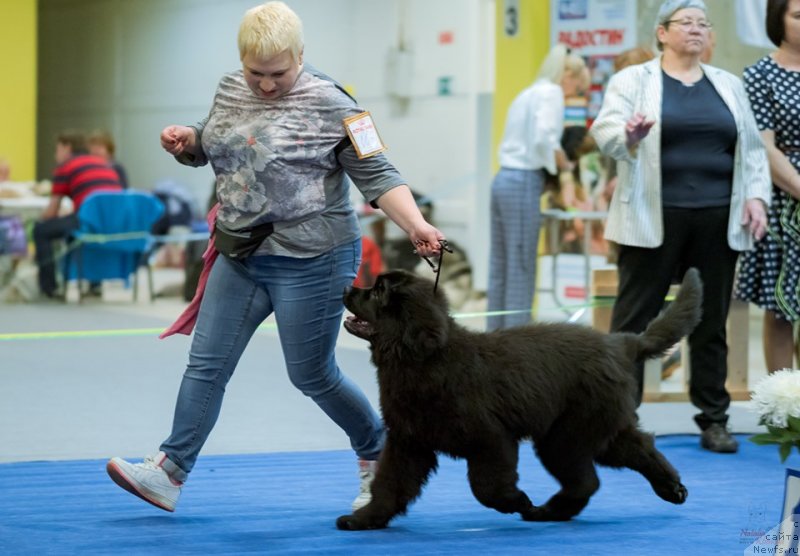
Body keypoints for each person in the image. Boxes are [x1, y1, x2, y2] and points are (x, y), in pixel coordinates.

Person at [105, 1, 445, 513]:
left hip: (314, 257)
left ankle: (380, 454)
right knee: (206, 365)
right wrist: (187, 142)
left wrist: (416, 224)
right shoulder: (228, 87)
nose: (265, 85)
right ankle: (169, 472)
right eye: (255, 72)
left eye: (278, 73)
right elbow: (217, 142)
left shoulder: (338, 104)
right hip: (240, 251)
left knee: (311, 374)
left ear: (300, 56)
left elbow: (379, 174)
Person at [590, 0, 771, 453]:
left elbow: (750, 150)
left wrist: (756, 196)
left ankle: (714, 420)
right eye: (685, 22)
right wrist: (627, 137)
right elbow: (605, 130)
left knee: (711, 324)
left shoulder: (728, 85)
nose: (696, 29)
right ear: (662, 33)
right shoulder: (632, 80)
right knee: (633, 320)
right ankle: (617, 420)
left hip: (716, 219)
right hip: (652, 216)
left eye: (703, 24)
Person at [486, 44, 588, 331]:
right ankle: (516, 340)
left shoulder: (528, 92)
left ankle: (496, 335)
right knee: (521, 265)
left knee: (501, 265)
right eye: (577, 86)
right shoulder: (551, 93)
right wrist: (564, 167)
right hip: (522, 181)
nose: (573, 93)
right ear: (567, 75)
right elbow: (545, 137)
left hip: (503, 179)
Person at [735, 0, 800, 373]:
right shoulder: (759, 73)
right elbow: (763, 146)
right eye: (798, 15)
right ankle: (784, 411)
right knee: (781, 310)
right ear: (779, 21)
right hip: (780, 199)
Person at [32, 131, 123, 299]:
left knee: (41, 230)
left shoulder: (65, 167)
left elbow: (51, 212)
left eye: (57, 149)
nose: (55, 155)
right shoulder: (103, 164)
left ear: (67, 148)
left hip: (89, 222)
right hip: (114, 223)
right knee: (77, 225)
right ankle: (95, 285)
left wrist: (39, 220)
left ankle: (49, 289)